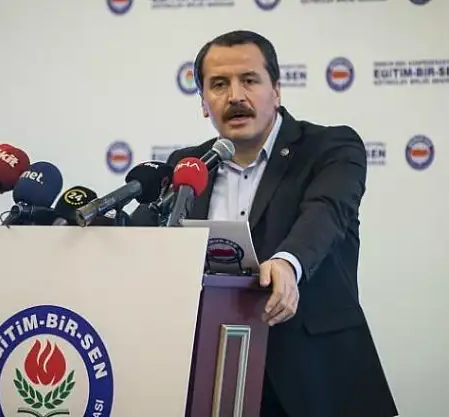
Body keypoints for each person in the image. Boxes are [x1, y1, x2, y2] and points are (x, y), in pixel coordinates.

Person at [132, 30, 398, 417]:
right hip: (215, 379)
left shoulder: (330, 148)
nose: (235, 96)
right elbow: (143, 238)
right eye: (218, 84)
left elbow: (326, 212)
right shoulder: (188, 167)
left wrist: (289, 262)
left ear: (276, 90)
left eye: (249, 80)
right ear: (203, 103)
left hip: (317, 380)